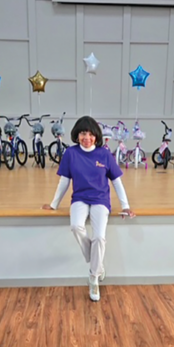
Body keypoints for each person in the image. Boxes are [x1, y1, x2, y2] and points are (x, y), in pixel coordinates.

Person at [42, 116, 135, 302]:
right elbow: (64, 182)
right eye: (83, 133)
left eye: (91, 134)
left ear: (96, 136)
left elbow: (117, 182)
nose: (87, 138)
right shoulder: (71, 154)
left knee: (99, 237)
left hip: (100, 200)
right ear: (77, 135)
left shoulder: (104, 154)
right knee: (76, 226)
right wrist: (54, 204)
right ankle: (97, 264)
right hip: (80, 198)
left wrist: (126, 206)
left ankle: (93, 278)